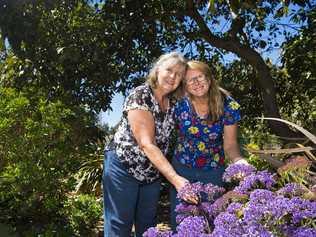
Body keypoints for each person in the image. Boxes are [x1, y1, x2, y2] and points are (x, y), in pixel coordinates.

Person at [103, 52, 197, 237]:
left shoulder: (173, 103)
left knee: (148, 227)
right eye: (169, 70)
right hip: (123, 166)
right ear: (157, 70)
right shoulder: (140, 95)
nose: (173, 77)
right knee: (119, 224)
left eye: (178, 75)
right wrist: (176, 179)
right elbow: (146, 144)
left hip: (152, 171)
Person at [170, 60, 249, 230]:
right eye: (190, 80)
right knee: (182, 223)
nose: (196, 83)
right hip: (182, 170)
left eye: (200, 77)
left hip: (213, 171)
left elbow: (230, 145)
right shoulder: (178, 104)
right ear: (184, 85)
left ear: (210, 78)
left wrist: (239, 162)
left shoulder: (228, 104)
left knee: (211, 222)